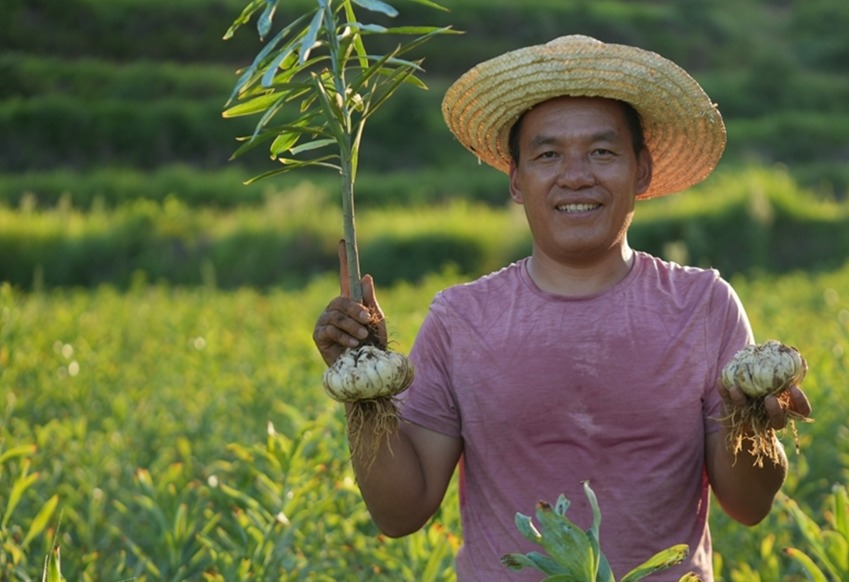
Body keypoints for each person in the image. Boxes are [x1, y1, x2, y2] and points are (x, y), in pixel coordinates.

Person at [313, 35, 813, 581]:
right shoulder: (461, 321)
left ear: (641, 171)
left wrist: (753, 422)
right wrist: (363, 388)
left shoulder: (703, 305)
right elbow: (399, 512)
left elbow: (750, 505)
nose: (576, 175)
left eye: (602, 152)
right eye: (548, 154)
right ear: (516, 180)